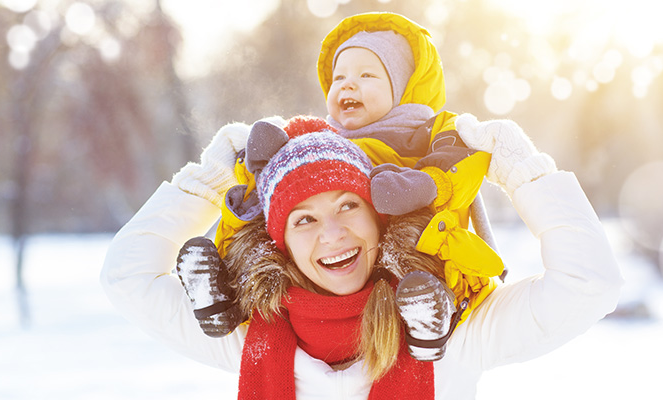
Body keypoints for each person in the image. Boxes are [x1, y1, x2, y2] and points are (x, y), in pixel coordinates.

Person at [100, 112, 624, 399]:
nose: (332, 233)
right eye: (303, 219)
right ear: (280, 244)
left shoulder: (452, 334)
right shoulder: (248, 338)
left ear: (379, 217)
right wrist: (208, 182)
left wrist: (521, 170)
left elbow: (588, 285)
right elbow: (125, 276)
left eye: (348, 205)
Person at [176, 12, 503, 354]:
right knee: (269, 232)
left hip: (416, 244)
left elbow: (465, 165)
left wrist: (425, 185)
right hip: (353, 244)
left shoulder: (429, 131)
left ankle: (432, 315)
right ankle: (225, 296)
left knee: (418, 237)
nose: (348, 84)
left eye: (367, 74)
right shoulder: (322, 136)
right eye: (339, 76)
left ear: (404, 85)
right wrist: (258, 169)